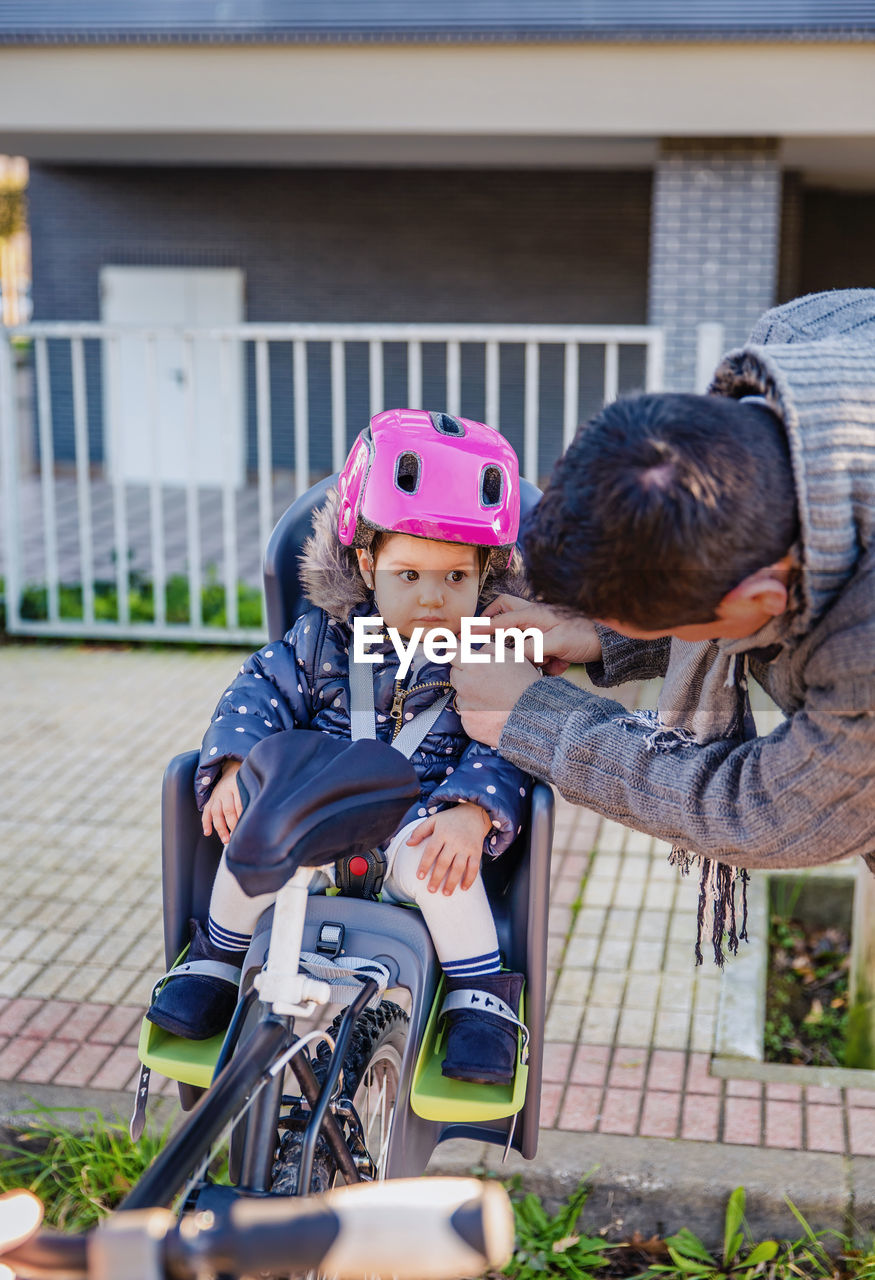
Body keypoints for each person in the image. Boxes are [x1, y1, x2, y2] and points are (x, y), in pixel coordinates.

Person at [449, 289, 875, 962]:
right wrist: (602, 630)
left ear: (764, 593)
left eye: (676, 626)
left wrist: (533, 718)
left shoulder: (864, 658)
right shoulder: (799, 337)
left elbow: (761, 810)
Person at [148, 408, 533, 1085]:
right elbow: (260, 690)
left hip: (421, 817)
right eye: (408, 576)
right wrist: (239, 763)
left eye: (456, 579)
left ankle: (481, 1000)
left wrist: (470, 812)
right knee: (255, 842)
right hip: (318, 806)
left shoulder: (487, 658)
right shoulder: (321, 640)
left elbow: (505, 743)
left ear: (485, 580)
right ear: (366, 562)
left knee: (447, 871)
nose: (433, 600)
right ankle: (215, 958)